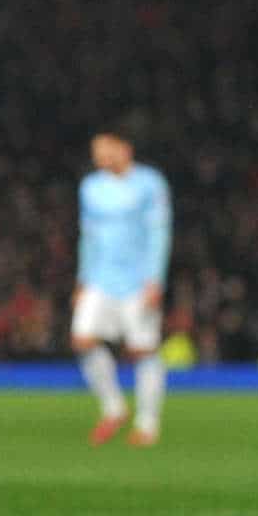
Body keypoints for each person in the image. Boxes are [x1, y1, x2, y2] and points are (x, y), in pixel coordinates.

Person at [72, 132, 173, 446]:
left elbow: (159, 233)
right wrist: (83, 279)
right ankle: (114, 407)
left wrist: (155, 278)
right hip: (100, 278)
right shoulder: (90, 187)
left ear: (124, 148)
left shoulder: (150, 183)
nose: (99, 156)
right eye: (95, 150)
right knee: (82, 339)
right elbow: (87, 237)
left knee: (143, 349)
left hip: (138, 281)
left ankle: (147, 423)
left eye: (105, 149)